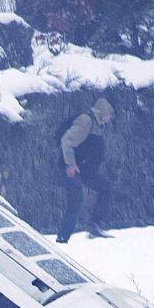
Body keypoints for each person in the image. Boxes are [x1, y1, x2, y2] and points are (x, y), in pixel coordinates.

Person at [56, 96, 115, 243]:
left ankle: (95, 225)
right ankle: (63, 238)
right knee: (76, 200)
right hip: (71, 166)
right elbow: (66, 141)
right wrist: (70, 164)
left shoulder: (98, 125)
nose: (110, 119)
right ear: (104, 112)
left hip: (85, 168)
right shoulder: (86, 121)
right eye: (110, 115)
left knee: (106, 188)